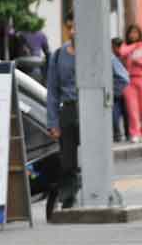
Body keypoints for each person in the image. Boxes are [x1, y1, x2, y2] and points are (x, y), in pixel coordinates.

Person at [46, 12, 128, 208]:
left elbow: (122, 78)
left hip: (92, 110)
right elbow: (52, 92)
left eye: (78, 26)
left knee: (95, 155)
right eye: (70, 26)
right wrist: (53, 123)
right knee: (67, 161)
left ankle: (97, 194)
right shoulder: (58, 55)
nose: (74, 31)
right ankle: (68, 199)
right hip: (68, 110)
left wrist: (103, 99)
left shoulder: (99, 52)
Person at [120, 24, 142, 143]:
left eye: (136, 33)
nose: (133, 35)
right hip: (129, 80)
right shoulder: (126, 46)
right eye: (131, 33)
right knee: (132, 109)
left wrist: (139, 61)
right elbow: (122, 53)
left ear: (139, 34)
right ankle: (134, 133)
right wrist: (135, 46)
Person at [111, 38, 129, 142]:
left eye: (119, 46)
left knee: (126, 113)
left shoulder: (124, 57)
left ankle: (127, 134)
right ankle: (117, 134)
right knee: (115, 113)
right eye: (115, 46)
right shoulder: (113, 58)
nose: (117, 49)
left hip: (124, 90)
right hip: (117, 91)